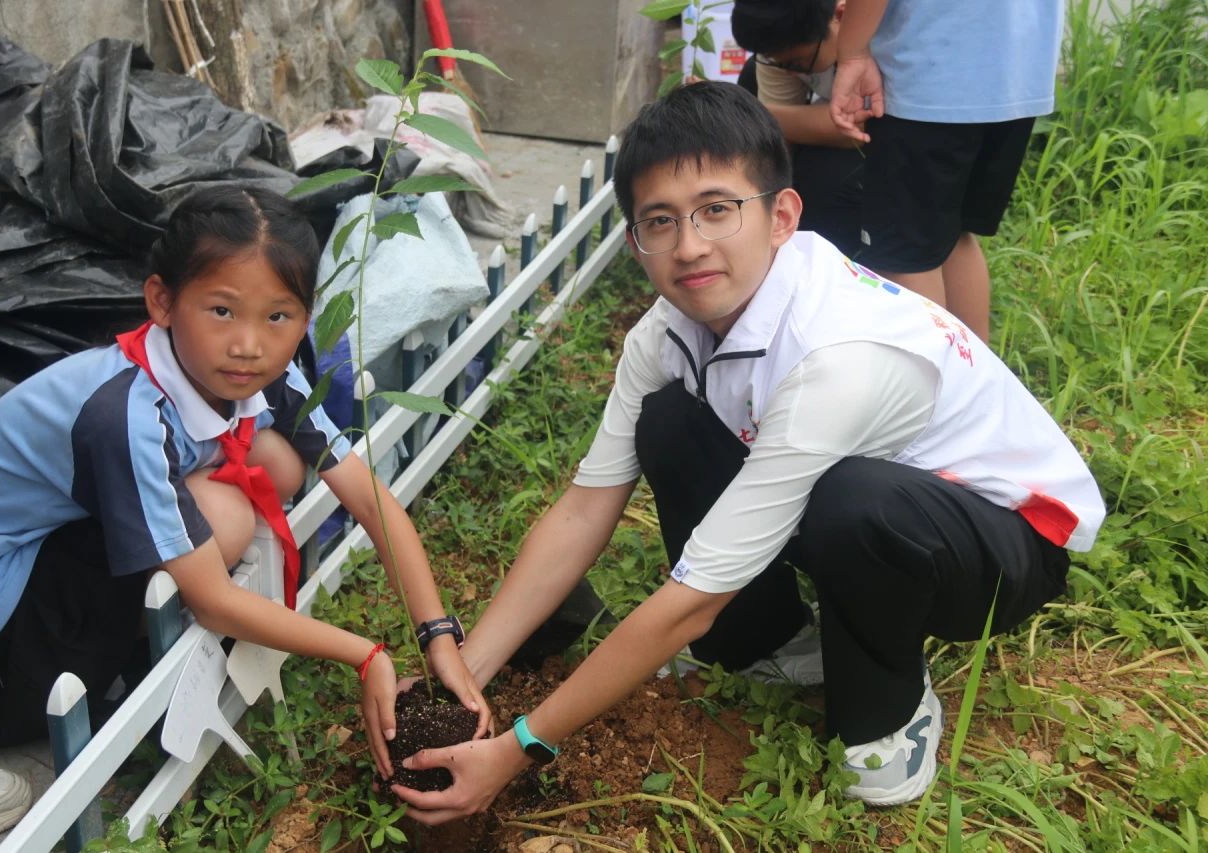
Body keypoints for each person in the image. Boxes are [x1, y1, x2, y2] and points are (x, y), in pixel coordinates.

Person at [391, 81, 1104, 820]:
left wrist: (520, 745)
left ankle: (888, 711)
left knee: (855, 504)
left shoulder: (836, 358)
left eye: (717, 209)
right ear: (635, 242)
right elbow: (582, 510)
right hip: (884, 494)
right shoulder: (665, 334)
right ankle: (773, 643)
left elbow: (690, 603)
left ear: (781, 216)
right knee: (668, 420)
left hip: (1007, 541)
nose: (689, 246)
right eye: (660, 221)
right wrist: (464, 672)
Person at [0, 186, 489, 833]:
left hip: (51, 544)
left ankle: (138, 619)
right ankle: (115, 664)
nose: (249, 344)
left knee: (272, 469)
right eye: (222, 310)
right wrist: (366, 654)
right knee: (223, 521)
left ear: (305, 316)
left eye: (278, 316)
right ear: (162, 301)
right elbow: (216, 601)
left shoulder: (259, 371)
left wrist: (437, 633)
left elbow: (369, 497)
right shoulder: (125, 414)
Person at [826, 0, 1065, 342]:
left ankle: (928, 376)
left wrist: (852, 52)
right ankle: (976, 373)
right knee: (954, 238)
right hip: (1016, 72)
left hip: (928, 78)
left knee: (903, 258)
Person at [731, 0, 865, 257]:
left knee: (824, 174)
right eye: (780, 63)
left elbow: (857, 128)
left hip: (896, 134)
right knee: (750, 79)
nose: (791, 73)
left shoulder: (875, 31)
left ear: (841, 16)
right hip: (831, 111)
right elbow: (777, 139)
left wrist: (745, 114)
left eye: (797, 63)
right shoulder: (781, 45)